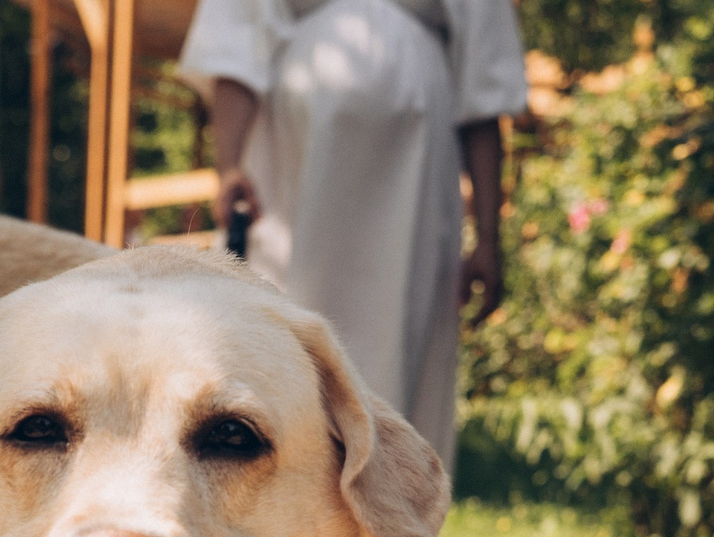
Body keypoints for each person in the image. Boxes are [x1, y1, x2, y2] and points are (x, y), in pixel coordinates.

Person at [179, 0, 526, 473]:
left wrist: (488, 236)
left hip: (416, 161)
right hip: (296, 158)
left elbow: (482, 81)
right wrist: (229, 167)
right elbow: (237, 38)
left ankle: (390, 522)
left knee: (400, 335)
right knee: (283, 337)